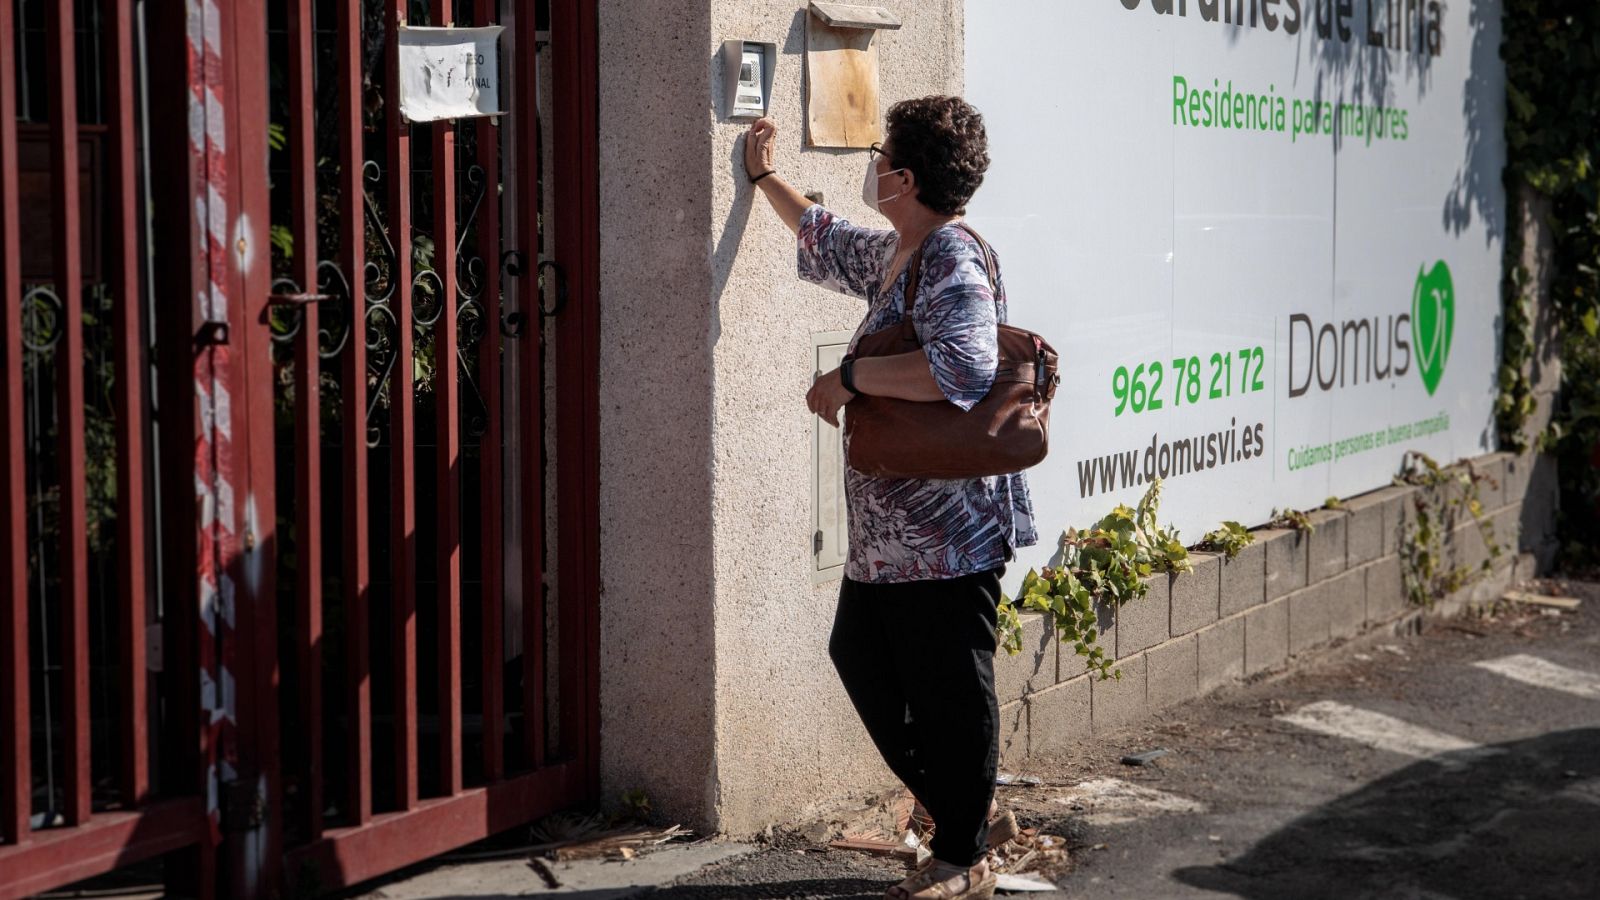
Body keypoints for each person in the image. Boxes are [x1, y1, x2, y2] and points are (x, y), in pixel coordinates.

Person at [744, 96, 1037, 900]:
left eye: (880, 154)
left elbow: (964, 370)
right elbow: (825, 236)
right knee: (863, 661)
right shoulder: (902, 253)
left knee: (948, 693)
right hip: (889, 540)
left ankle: (960, 856)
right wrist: (765, 176)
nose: (870, 162)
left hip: (948, 535)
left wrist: (847, 378)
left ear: (903, 177)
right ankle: (967, 815)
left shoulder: (950, 258)